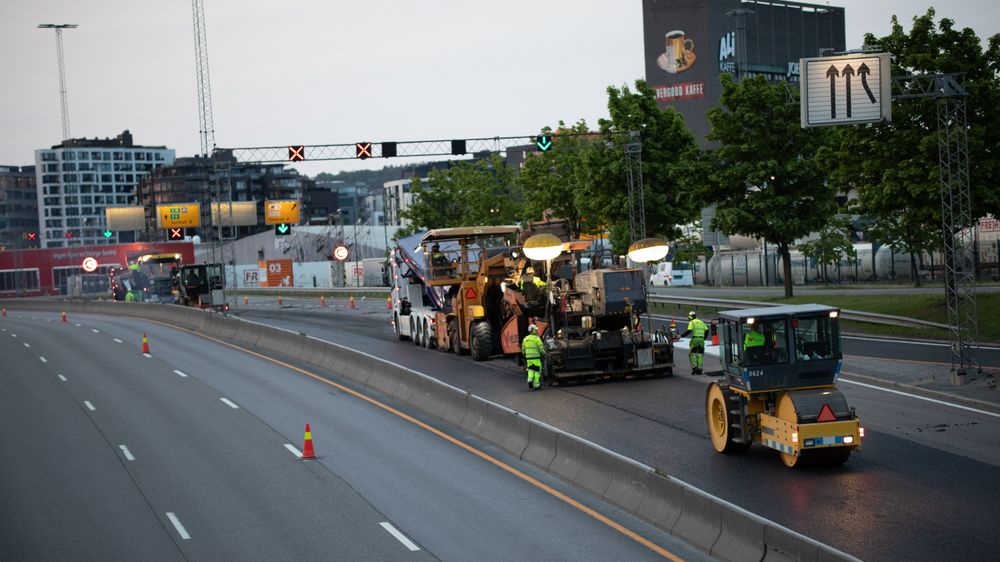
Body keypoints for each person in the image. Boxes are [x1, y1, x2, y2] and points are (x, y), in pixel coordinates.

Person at [522, 324, 545, 390]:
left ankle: (529, 379)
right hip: (536, 358)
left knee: (531, 369)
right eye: (535, 330)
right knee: (537, 371)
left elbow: (523, 349)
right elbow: (541, 349)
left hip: (529, 358)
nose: (537, 331)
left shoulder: (525, 339)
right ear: (532, 330)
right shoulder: (537, 339)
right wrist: (543, 353)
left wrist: (525, 355)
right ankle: (536, 385)